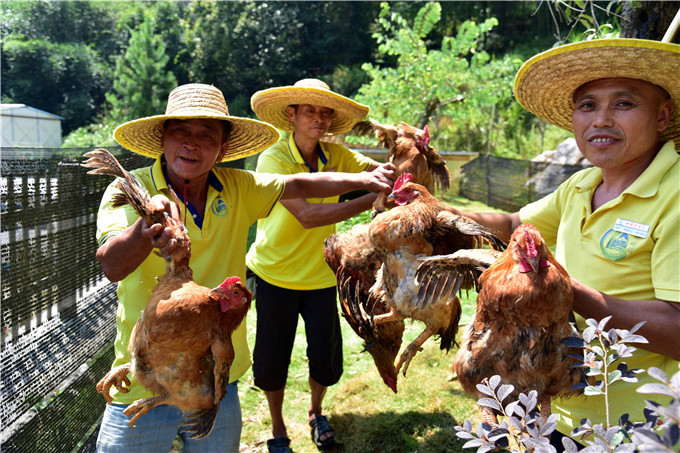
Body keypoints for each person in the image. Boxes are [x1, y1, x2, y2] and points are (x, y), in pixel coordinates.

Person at [93, 83, 395, 452]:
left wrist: (365, 180)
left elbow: (297, 183)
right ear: (162, 139)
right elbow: (112, 265)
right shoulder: (130, 188)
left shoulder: (239, 186)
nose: (192, 143)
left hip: (216, 380)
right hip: (144, 375)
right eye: (181, 131)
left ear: (222, 148)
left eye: (206, 135)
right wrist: (146, 227)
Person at [450, 38, 680, 449]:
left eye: (624, 104)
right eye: (587, 105)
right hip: (562, 412)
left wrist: (560, 292)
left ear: (663, 116)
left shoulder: (675, 195)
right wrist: (434, 214)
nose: (602, 120)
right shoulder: (581, 185)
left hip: (642, 427)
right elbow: (511, 223)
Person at [245, 79, 390, 452]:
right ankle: (278, 428)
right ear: (291, 114)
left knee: (323, 355)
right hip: (275, 273)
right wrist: (369, 198)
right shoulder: (273, 158)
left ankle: (315, 411)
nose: (320, 118)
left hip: (323, 277)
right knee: (272, 359)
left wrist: (406, 158)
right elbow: (308, 215)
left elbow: (382, 171)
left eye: (326, 112)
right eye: (311, 110)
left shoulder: (336, 156)